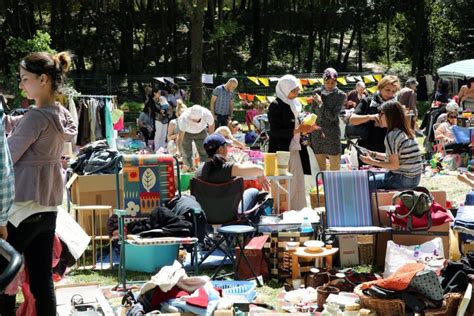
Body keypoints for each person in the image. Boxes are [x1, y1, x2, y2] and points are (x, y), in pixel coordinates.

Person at [0, 51, 78, 315]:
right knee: (43, 280)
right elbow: (26, 122)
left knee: (4, 277)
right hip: (47, 208)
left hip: (21, 208)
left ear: (43, 79)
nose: (21, 85)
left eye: (25, 79)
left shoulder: (36, 118)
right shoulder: (59, 113)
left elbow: (6, 156)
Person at [268, 75, 316, 210]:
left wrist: (306, 128)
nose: (296, 93)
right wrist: (297, 130)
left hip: (296, 148)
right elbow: (275, 131)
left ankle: (298, 210)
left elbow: (297, 126)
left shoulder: (296, 104)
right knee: (282, 183)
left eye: (297, 90)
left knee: (297, 181)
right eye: (293, 90)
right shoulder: (275, 106)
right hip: (281, 150)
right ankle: (282, 210)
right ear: (285, 89)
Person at [196, 134, 270, 212]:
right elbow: (259, 169)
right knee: (253, 191)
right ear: (221, 149)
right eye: (226, 146)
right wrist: (260, 175)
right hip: (230, 214)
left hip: (207, 215)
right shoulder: (228, 168)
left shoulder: (199, 171)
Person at [360, 100, 422, 190]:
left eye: (381, 114)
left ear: (390, 116)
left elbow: (394, 165)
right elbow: (396, 158)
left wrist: (371, 162)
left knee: (364, 183)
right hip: (415, 179)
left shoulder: (392, 136)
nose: (378, 116)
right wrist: (373, 154)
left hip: (402, 180)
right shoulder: (405, 132)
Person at [349, 75, 400, 155]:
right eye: (387, 90)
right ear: (380, 88)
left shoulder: (396, 105)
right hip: (368, 148)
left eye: (393, 91)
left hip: (390, 148)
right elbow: (352, 120)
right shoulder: (368, 101)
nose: (390, 94)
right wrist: (370, 117)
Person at [310, 67, 346, 171]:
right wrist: (309, 137)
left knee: (335, 169)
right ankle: (321, 188)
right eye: (327, 82)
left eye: (333, 82)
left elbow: (332, 117)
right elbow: (312, 115)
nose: (330, 85)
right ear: (323, 81)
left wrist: (321, 103)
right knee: (319, 170)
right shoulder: (316, 92)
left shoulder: (340, 95)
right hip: (316, 134)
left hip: (332, 134)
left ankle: (334, 187)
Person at [178, 104, 215, 171]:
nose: (195, 122)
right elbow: (180, 136)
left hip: (201, 131)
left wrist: (210, 139)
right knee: (186, 152)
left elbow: (211, 125)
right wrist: (179, 149)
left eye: (197, 121)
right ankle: (189, 168)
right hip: (187, 133)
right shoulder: (184, 118)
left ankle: (204, 169)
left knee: (204, 151)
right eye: (193, 120)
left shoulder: (207, 114)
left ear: (201, 116)